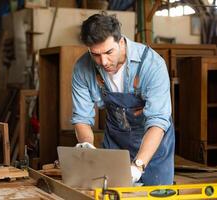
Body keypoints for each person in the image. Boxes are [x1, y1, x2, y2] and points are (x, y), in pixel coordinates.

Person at [71, 12, 175, 186]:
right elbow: (81, 118)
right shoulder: (82, 68)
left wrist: (138, 165)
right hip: (116, 142)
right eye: (95, 54)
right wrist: (87, 147)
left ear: (121, 42)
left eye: (109, 52)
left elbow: (158, 120)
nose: (103, 61)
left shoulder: (152, 64)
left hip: (153, 145)